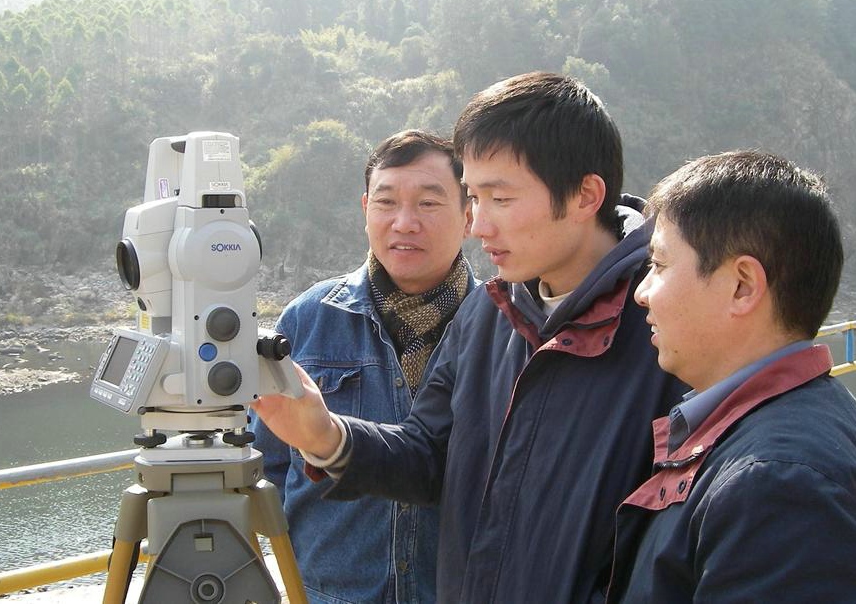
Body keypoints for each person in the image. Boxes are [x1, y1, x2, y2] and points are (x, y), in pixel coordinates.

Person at [253, 72, 686, 603]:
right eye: (476, 198)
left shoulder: (667, 325)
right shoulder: (489, 314)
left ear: (585, 195)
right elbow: (428, 455)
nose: (479, 226)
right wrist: (325, 436)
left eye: (499, 198)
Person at [606, 151, 856, 602]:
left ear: (742, 286)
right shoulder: (791, 439)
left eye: (659, 265)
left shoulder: (777, 483)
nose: (642, 292)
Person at [250, 129, 477, 604]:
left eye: (428, 203)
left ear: (468, 214)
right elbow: (267, 467)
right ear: (365, 210)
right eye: (386, 202)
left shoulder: (502, 327)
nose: (404, 223)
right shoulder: (308, 319)